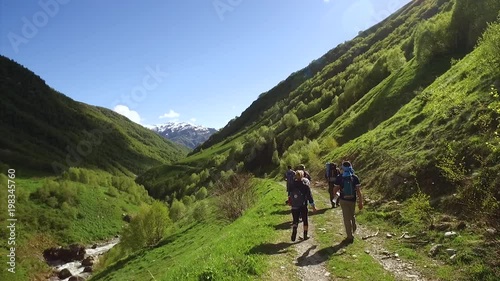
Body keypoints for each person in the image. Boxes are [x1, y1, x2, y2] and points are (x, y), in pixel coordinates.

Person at [333, 161, 363, 244]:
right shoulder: (354, 177)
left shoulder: (340, 177)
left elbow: (335, 189)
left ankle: (350, 237)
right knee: (352, 216)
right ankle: (353, 230)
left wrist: (335, 196)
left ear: (342, 168)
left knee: (346, 218)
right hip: (352, 200)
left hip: (343, 200)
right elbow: (358, 191)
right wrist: (360, 202)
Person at [289, 170, 317, 241]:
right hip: (303, 205)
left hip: (294, 205)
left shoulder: (292, 185)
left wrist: (290, 202)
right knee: (305, 220)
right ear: (302, 176)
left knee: (295, 220)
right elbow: (310, 197)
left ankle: (294, 230)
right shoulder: (305, 186)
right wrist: (313, 207)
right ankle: (305, 235)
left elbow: (289, 195)